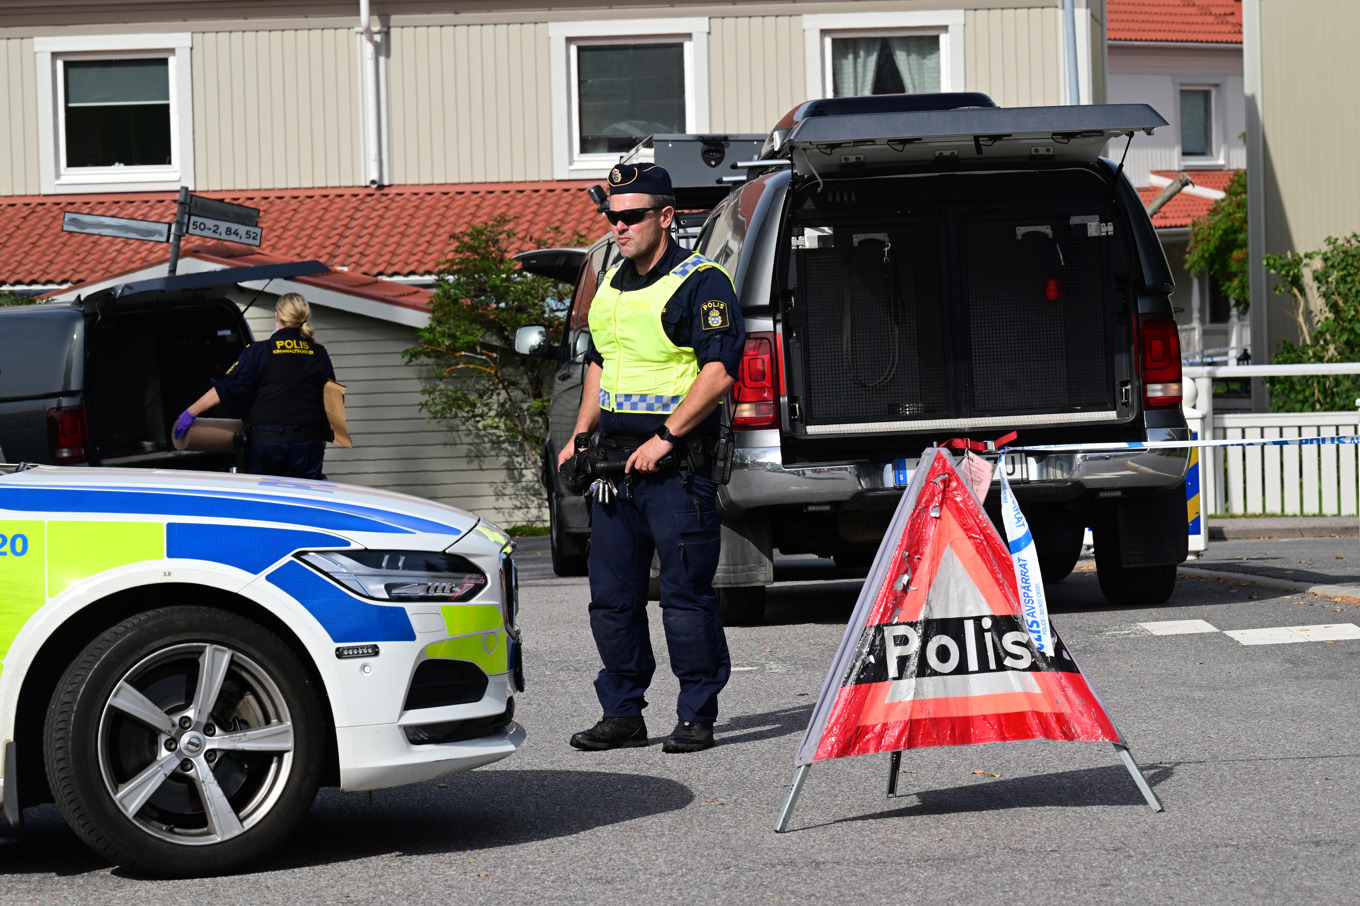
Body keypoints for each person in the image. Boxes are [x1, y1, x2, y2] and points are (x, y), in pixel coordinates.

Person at [560, 162, 745, 754]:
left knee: (685, 598)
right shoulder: (611, 282)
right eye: (612, 216)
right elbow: (600, 365)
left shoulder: (702, 282)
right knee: (611, 598)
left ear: (666, 217)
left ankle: (696, 714)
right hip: (614, 466)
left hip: (676, 466)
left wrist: (665, 437)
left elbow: (717, 373)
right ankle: (622, 713)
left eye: (632, 216)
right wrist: (578, 433)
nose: (619, 227)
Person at [174, 292, 336, 479]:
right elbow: (332, 403)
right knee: (307, 503)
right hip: (308, 446)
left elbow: (227, 388)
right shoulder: (319, 354)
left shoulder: (260, 352)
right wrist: (321, 439)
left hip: (268, 447)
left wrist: (190, 413)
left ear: (277, 316)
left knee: (265, 504)